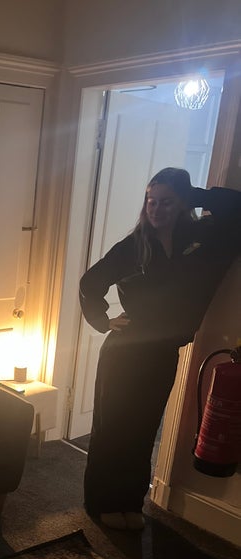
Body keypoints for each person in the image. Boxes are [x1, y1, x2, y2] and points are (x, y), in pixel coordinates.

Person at [79, 167, 241, 531]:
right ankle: (100, 503)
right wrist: (103, 321)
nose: (156, 209)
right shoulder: (134, 246)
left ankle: (129, 502)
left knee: (143, 430)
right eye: (151, 201)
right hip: (125, 353)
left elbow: (237, 208)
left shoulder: (203, 239)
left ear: (183, 203)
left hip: (163, 353)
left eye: (167, 202)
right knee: (113, 428)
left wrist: (195, 195)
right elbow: (90, 283)